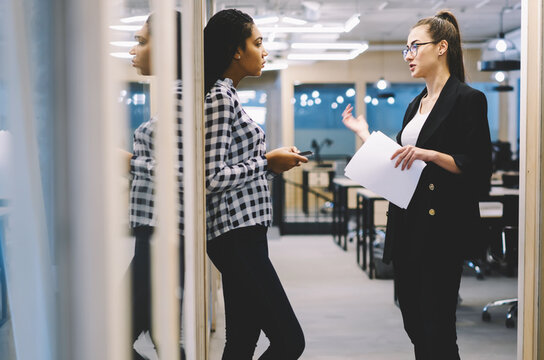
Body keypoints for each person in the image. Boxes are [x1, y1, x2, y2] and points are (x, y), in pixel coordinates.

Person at [341, 10, 492, 359]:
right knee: (413, 320)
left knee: (437, 326)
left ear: (441, 47)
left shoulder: (468, 99)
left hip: (442, 228)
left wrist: (432, 155)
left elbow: (478, 167)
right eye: (405, 48)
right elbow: (401, 159)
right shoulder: (416, 104)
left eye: (414, 46)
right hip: (408, 225)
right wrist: (364, 134)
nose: (408, 54)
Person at [203, 9, 307, 360]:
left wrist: (273, 167)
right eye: (258, 43)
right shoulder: (219, 97)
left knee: (242, 342)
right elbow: (211, 177)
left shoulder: (228, 94)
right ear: (236, 50)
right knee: (290, 340)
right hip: (235, 236)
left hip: (244, 232)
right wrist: (266, 162)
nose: (264, 52)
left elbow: (232, 172)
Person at [124, 12, 186, 360]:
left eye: (142, 41)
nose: (134, 49)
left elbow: (182, 171)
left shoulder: (180, 96)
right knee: (163, 338)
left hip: (162, 234)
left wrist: (128, 162)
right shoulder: (172, 92)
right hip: (154, 230)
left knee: (113, 337)